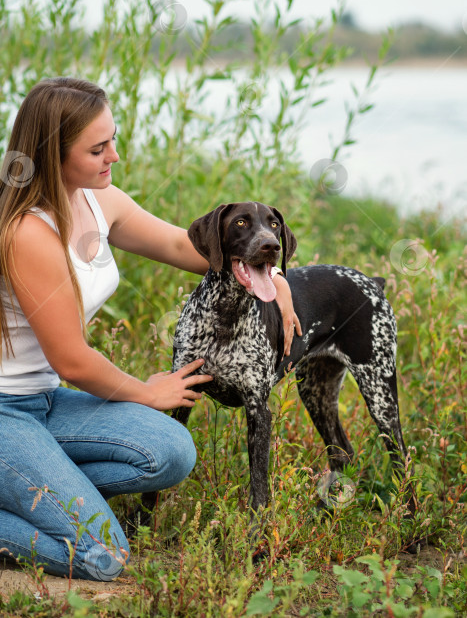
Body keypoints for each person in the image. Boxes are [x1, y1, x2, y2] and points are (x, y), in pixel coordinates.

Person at [0, 78, 301, 581]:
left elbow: (194, 251)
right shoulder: (29, 232)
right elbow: (71, 360)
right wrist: (145, 391)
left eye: (113, 140)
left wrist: (274, 278)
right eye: (98, 148)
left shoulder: (99, 201)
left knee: (171, 452)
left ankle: (38, 489)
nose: (113, 155)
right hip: (6, 412)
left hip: (43, 403)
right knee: (104, 555)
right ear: (53, 153)